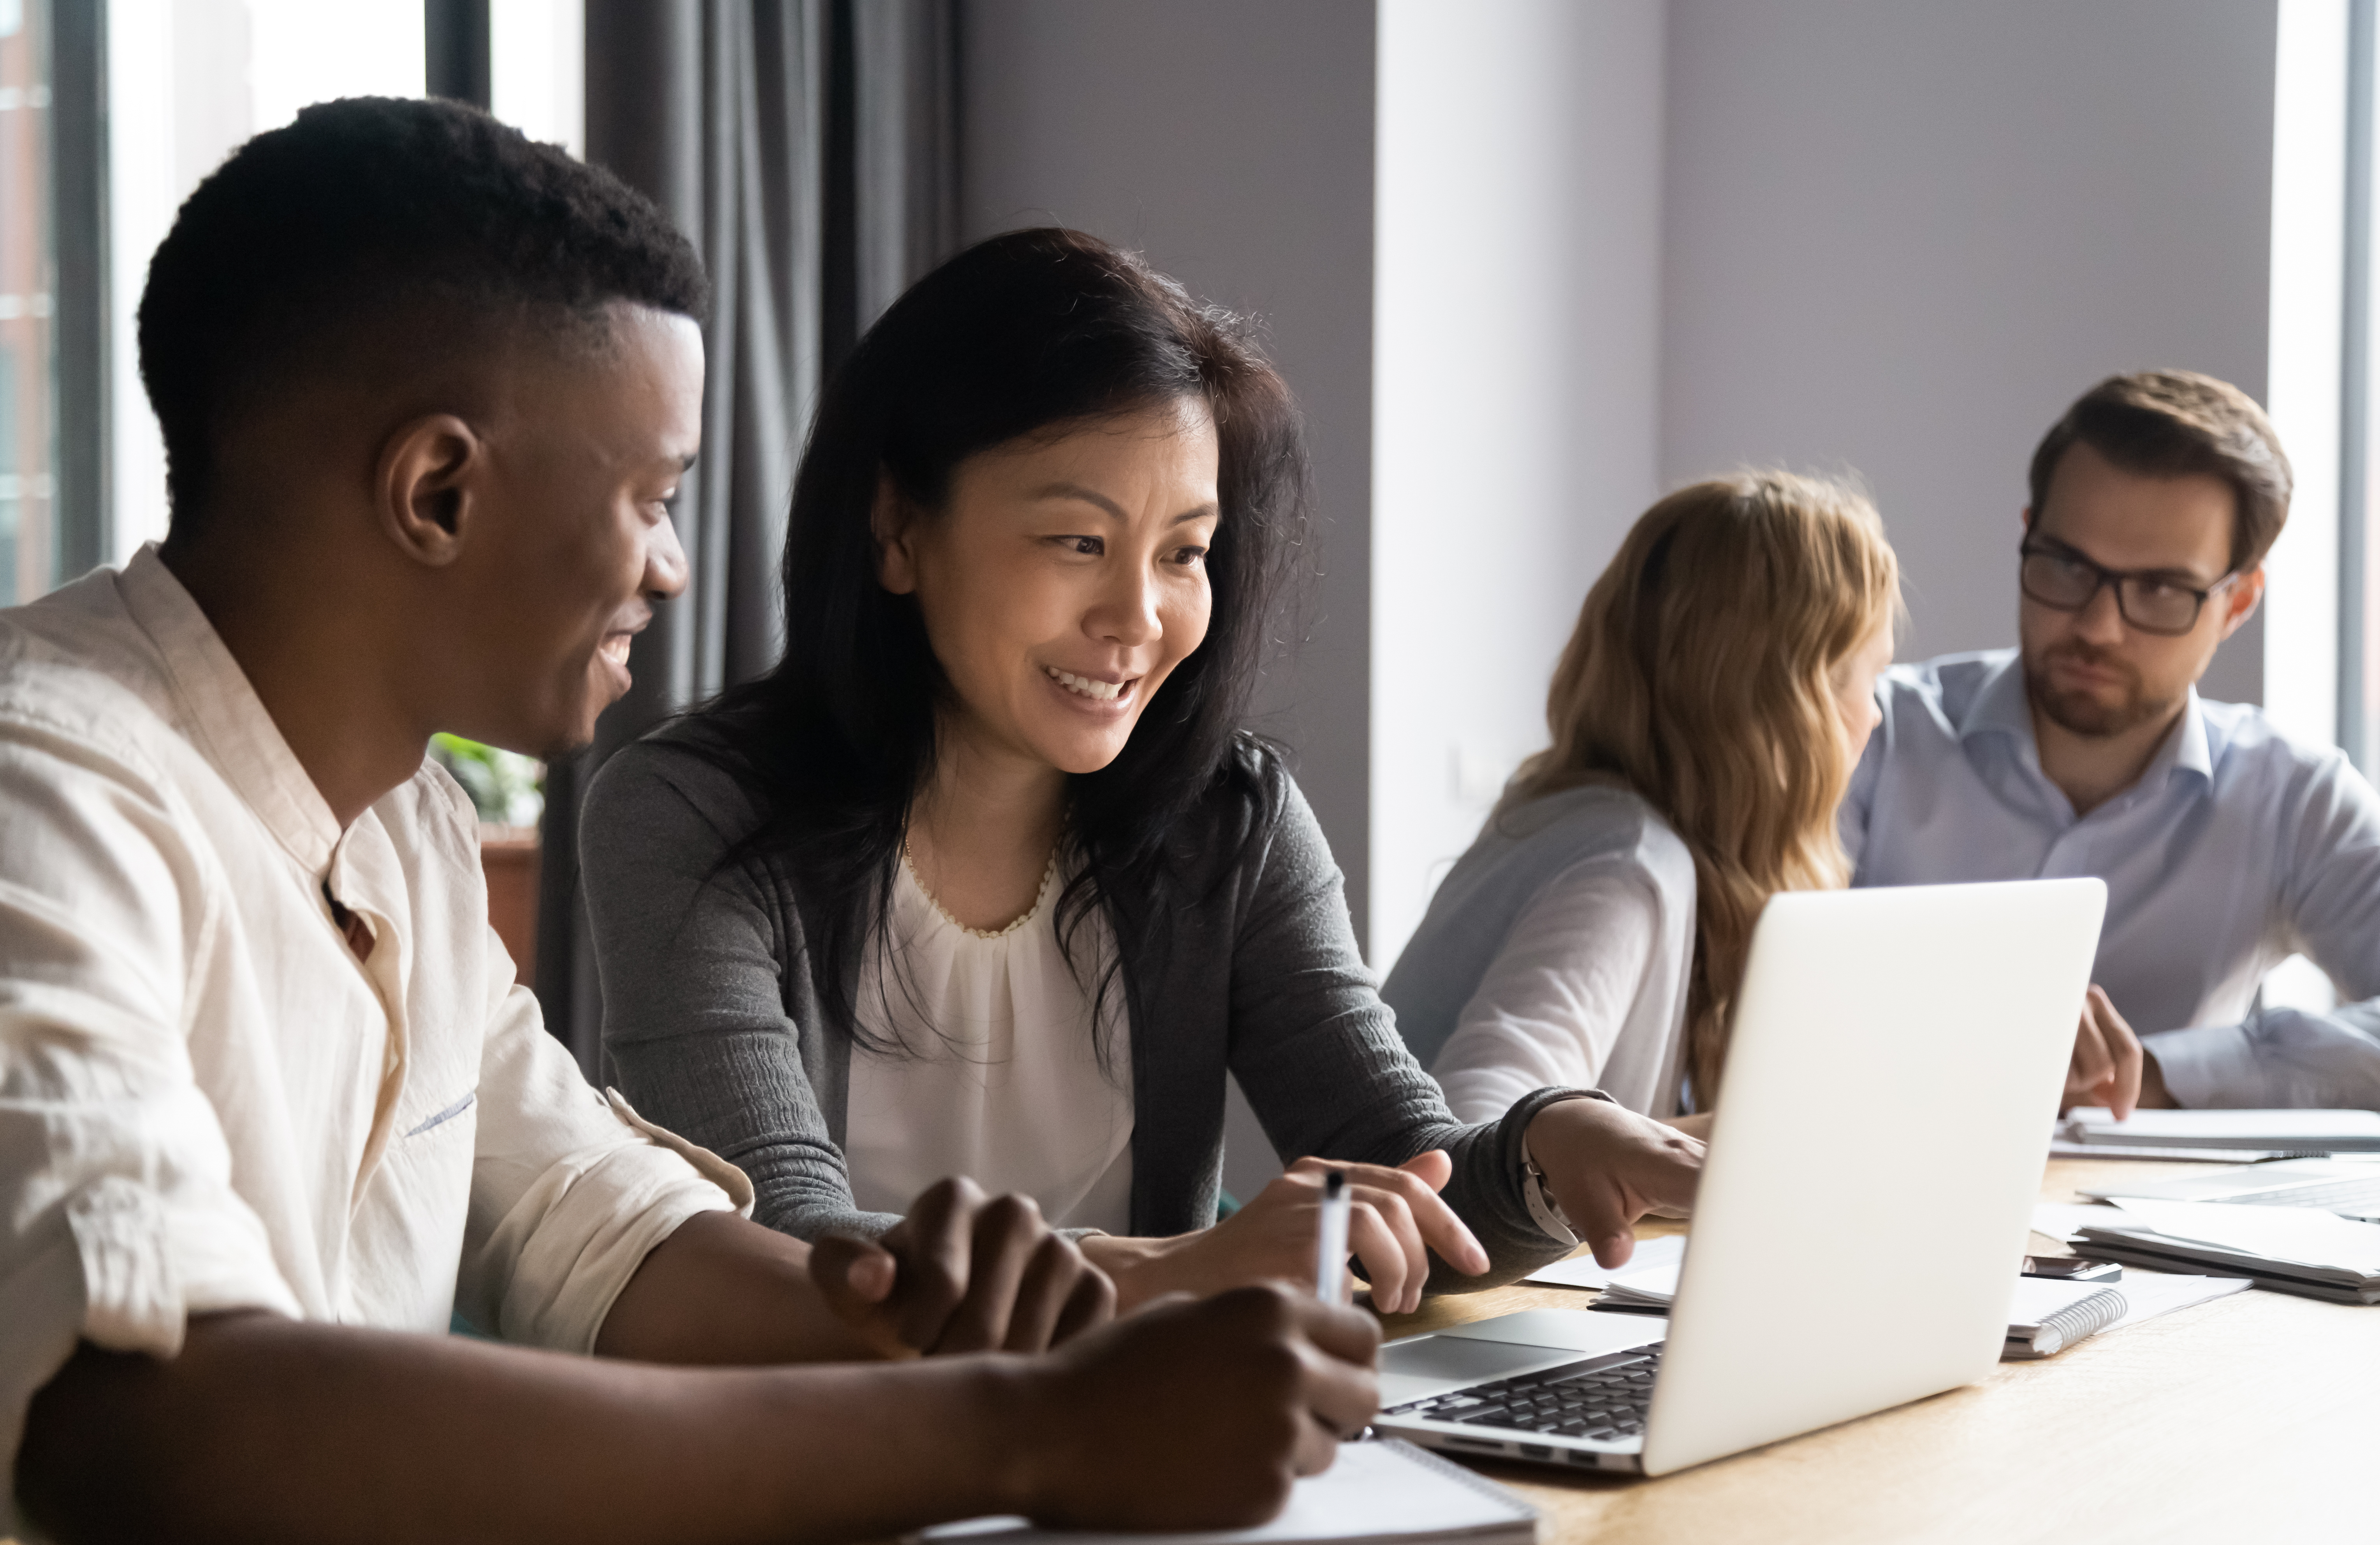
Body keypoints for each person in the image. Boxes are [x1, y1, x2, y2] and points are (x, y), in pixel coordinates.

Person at [1, 100, 1383, 1545]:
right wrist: (1029, 1432)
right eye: (652, 496)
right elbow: (144, 1421)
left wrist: (1030, 1321)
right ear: (438, 490)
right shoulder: (48, 788)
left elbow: (605, 1233)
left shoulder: (406, 828)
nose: (670, 568)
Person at [580, 227, 1705, 1313]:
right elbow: (783, 1246)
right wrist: (1177, 1269)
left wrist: (1552, 1152)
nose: (1139, 616)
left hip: (1147, 1431)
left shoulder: (1231, 820)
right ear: (897, 531)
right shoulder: (688, 815)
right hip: (842, 1436)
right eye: (1080, 542)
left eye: (1183, 553)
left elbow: (1411, 1177)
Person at [1844, 370, 2380, 1111]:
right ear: (2027, 536)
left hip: (2149, 1189)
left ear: (2238, 604)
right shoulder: (1870, 732)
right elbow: (1739, 1001)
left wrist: (2156, 1073)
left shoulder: (2293, 798)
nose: (2097, 628)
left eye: (2160, 589)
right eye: (2068, 566)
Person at [1383, 474, 1900, 1127]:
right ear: (1787, 704)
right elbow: (1478, 1121)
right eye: (1866, 677)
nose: (1874, 715)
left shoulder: (1575, 822)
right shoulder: (1626, 866)